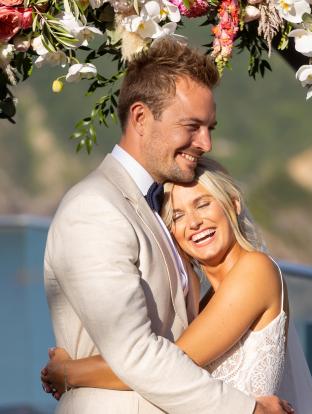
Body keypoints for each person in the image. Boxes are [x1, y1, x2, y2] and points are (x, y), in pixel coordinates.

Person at [41, 38, 292, 414]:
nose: (206, 142)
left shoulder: (154, 205)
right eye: (192, 126)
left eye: (209, 127)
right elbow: (138, 353)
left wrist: (70, 372)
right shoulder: (94, 208)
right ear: (141, 118)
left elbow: (177, 348)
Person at [42, 158, 312, 414]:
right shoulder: (205, 304)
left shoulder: (255, 270)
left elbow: (159, 366)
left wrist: (68, 371)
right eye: (177, 216)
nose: (194, 222)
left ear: (234, 203)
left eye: (203, 204)